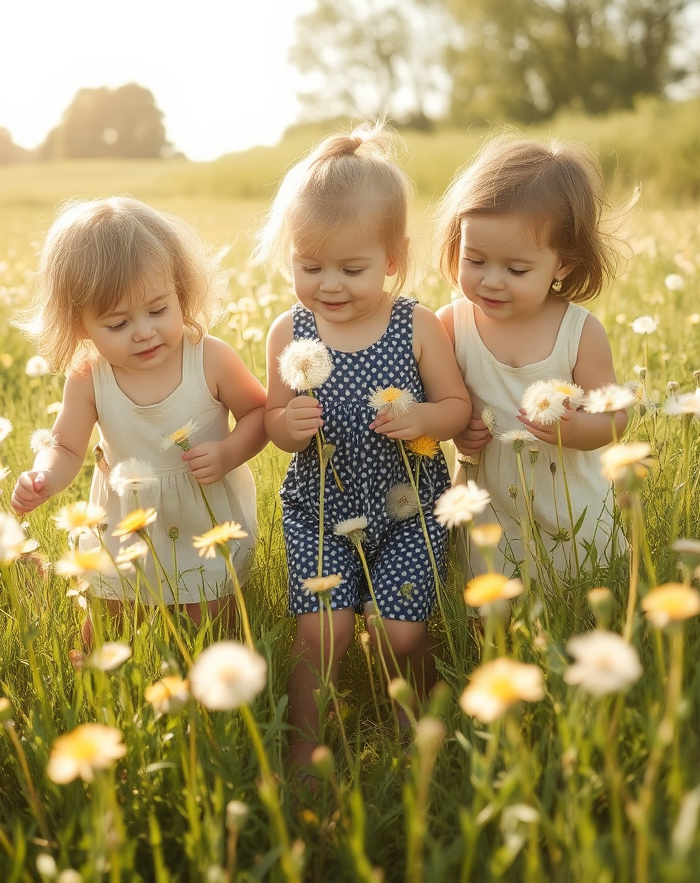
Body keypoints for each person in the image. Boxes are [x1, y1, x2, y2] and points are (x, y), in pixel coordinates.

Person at [258, 125, 471, 767]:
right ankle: (305, 749)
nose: (329, 284)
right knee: (323, 630)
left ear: (393, 258)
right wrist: (287, 426)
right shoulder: (289, 331)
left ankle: (422, 724)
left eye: (352, 269)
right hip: (321, 508)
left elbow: (458, 409)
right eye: (309, 265)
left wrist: (424, 419)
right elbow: (272, 422)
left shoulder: (416, 325)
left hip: (408, 508)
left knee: (400, 630)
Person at [11, 196, 267, 641]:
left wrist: (228, 452)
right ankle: (96, 680)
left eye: (158, 310)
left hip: (202, 518)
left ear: (181, 292)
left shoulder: (209, 358)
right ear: (79, 326)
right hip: (123, 519)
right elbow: (67, 446)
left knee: (211, 626)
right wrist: (44, 477)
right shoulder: (90, 375)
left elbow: (260, 413)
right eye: (117, 324)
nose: (144, 331)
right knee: (107, 623)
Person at [435, 134, 628, 581]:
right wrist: (456, 426)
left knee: (574, 592)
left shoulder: (579, 333)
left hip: (566, 499)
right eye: (475, 260)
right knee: (488, 605)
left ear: (563, 265)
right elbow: (439, 401)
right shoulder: (452, 324)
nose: (492, 281)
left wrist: (578, 428)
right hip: (487, 507)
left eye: (516, 269)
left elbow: (616, 416)